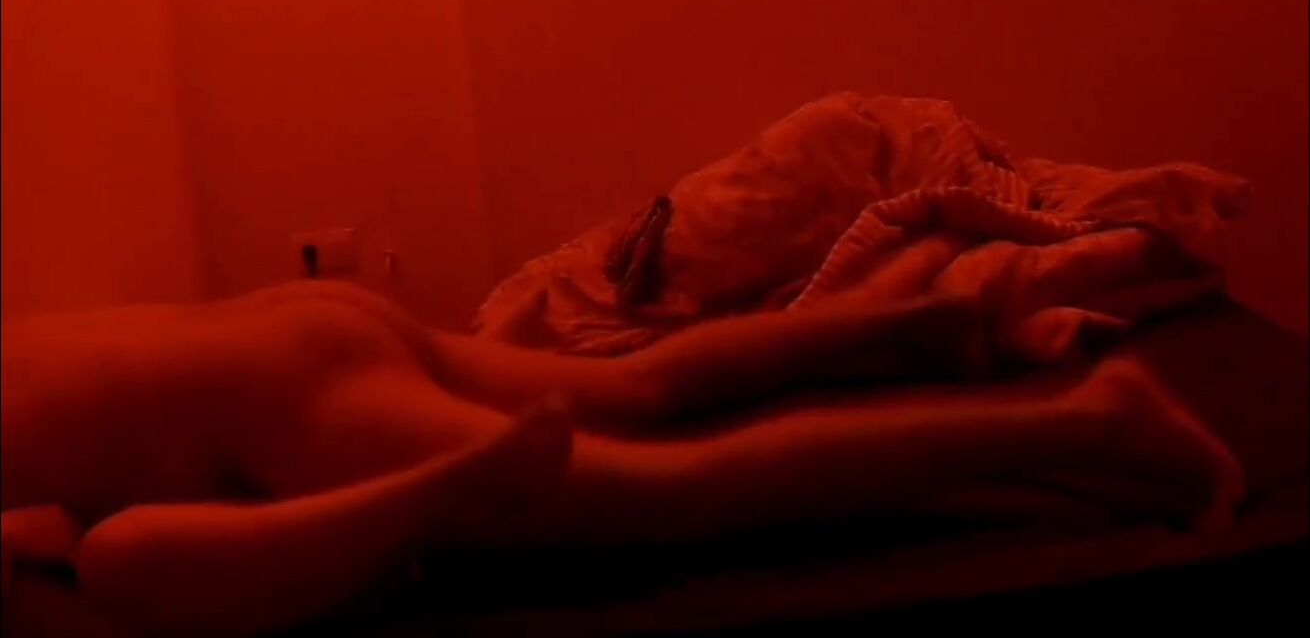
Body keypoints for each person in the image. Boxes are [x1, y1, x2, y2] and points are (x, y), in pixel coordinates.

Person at [1, 278, 1243, 638]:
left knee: (681, 489)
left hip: (292, 406)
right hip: (288, 326)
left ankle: (1090, 422)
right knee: (644, 384)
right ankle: (943, 324)